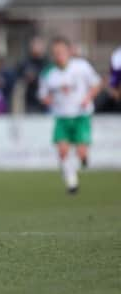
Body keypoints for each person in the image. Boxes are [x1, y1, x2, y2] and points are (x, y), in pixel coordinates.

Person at [38, 37, 101, 194]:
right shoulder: (48, 73)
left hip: (81, 116)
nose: (59, 55)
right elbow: (43, 95)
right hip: (62, 117)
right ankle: (72, 183)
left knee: (80, 152)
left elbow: (97, 84)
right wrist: (48, 100)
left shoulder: (81, 67)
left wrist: (88, 98)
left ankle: (83, 157)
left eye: (61, 52)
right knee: (63, 151)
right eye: (55, 53)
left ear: (69, 51)